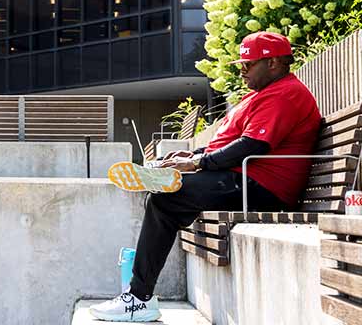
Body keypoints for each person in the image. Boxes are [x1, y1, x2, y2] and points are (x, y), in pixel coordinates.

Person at [90, 31, 322, 322]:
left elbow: (253, 145)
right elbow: (230, 142)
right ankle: (139, 292)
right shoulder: (263, 95)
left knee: (165, 200)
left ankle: (138, 299)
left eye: (247, 65)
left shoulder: (286, 94)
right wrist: (192, 156)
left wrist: (199, 163)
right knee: (164, 198)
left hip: (261, 186)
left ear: (273, 63)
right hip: (241, 178)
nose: (242, 71)